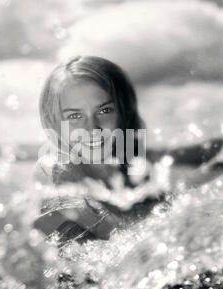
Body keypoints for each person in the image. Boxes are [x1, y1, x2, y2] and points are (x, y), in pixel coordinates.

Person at [33, 55, 157, 244]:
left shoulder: (141, 173)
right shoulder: (55, 172)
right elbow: (119, 235)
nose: (92, 128)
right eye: (75, 115)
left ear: (124, 111)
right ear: (54, 123)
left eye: (104, 111)